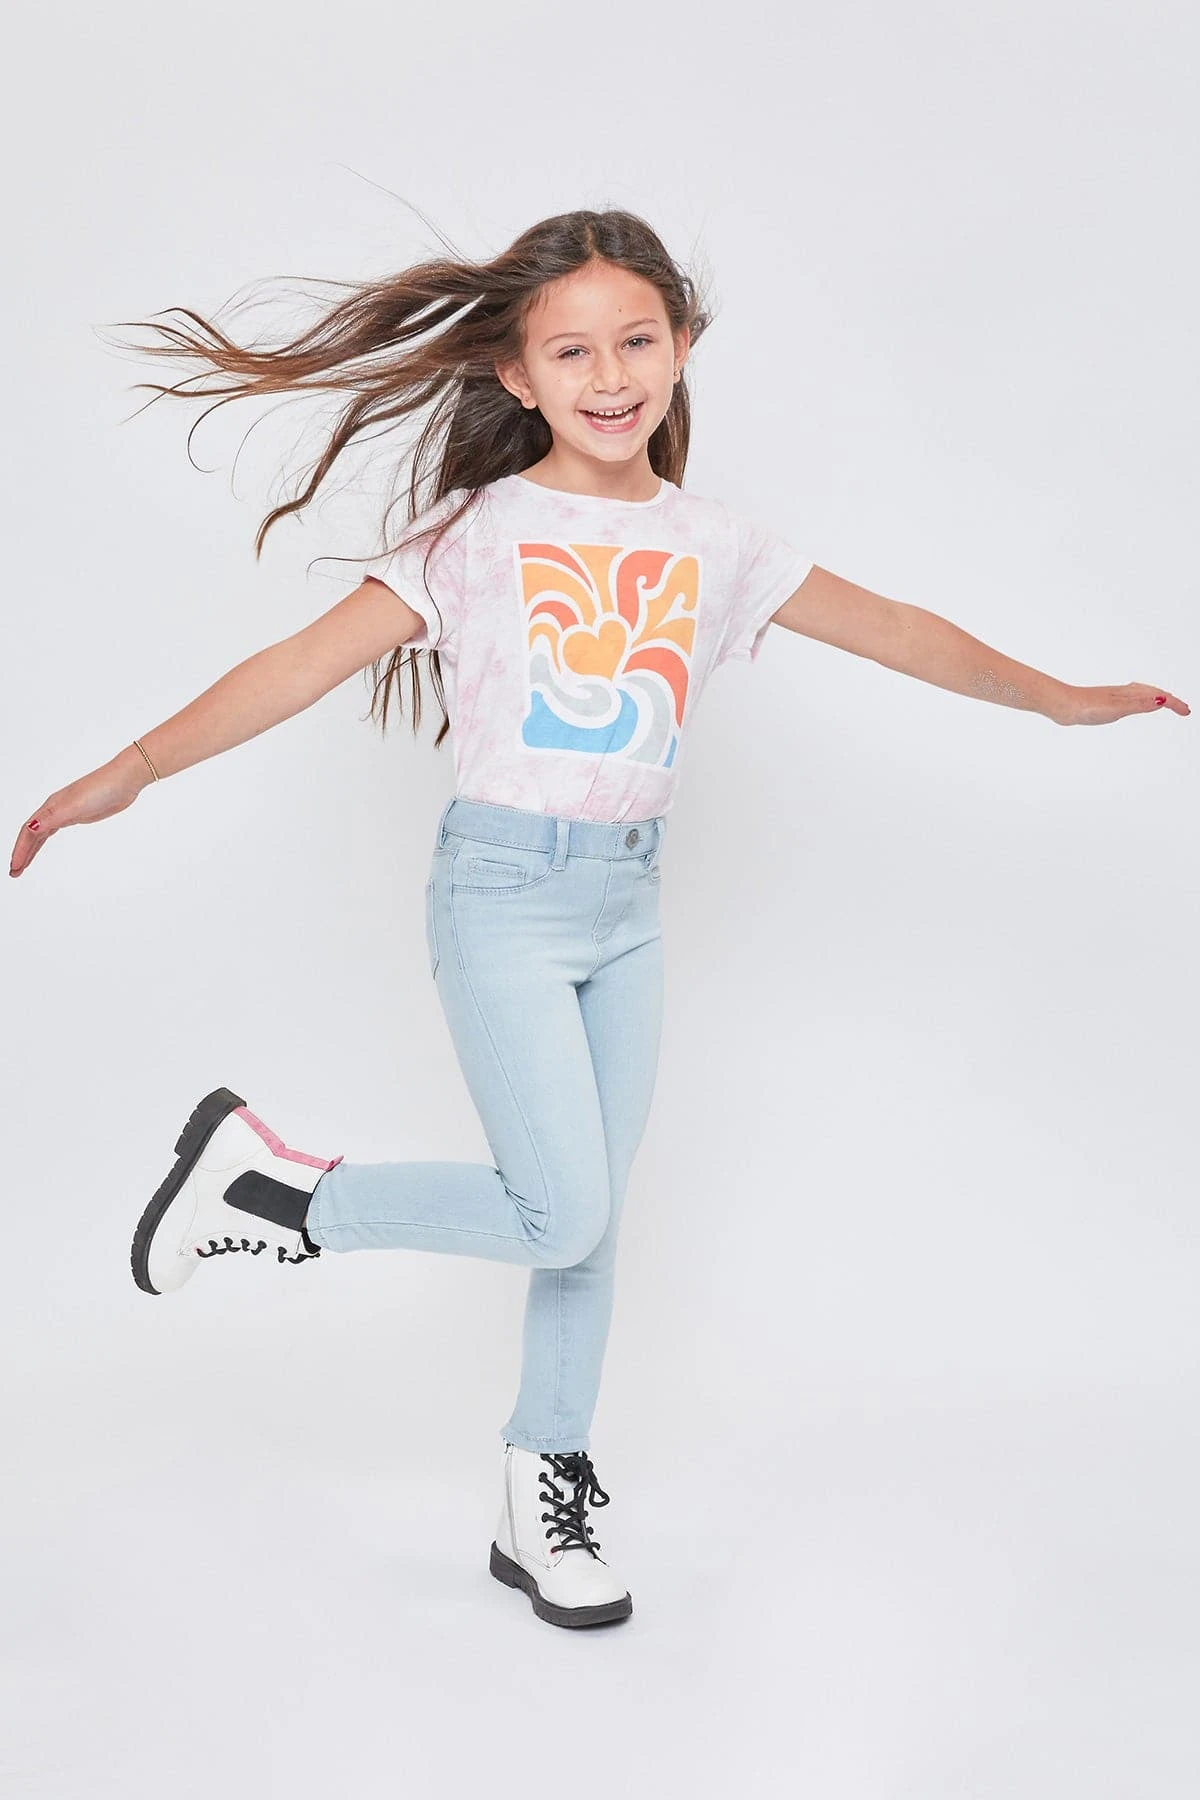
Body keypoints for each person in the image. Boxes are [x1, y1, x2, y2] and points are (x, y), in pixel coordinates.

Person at [8, 208, 1188, 1633]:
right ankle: (275, 1194)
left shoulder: (717, 544)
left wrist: (1060, 700)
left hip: (627, 904)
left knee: (587, 1228)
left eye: (637, 340)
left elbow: (898, 628)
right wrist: (132, 769)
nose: (610, 374)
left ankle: (540, 1486)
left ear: (681, 346)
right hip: (502, 896)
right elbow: (299, 664)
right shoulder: (478, 537)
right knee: (557, 1208)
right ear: (518, 375)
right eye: (572, 352)